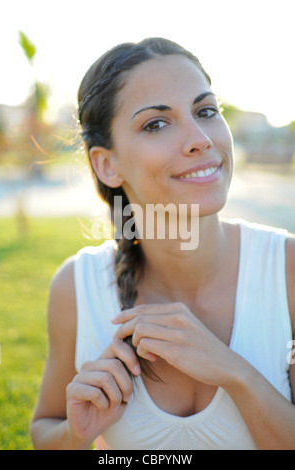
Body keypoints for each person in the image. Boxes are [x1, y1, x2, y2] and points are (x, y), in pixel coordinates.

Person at [30, 37, 295, 450]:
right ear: (107, 163)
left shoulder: (287, 269)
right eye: (156, 123)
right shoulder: (76, 287)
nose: (200, 138)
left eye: (206, 111)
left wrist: (235, 374)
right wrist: (77, 433)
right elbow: (45, 428)